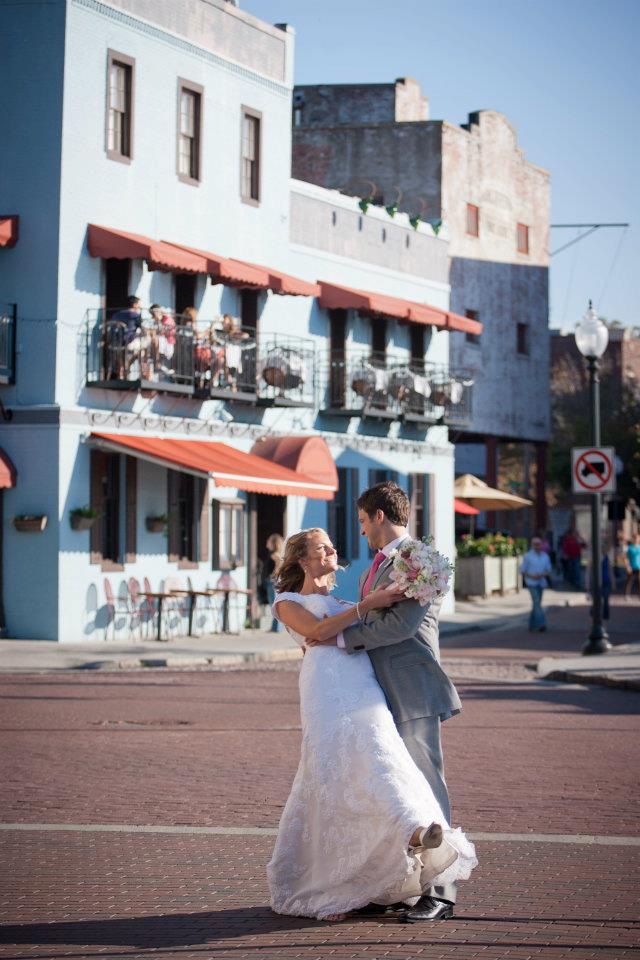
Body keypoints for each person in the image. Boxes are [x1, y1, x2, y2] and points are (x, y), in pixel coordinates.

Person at [268, 523, 476, 922]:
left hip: (364, 685)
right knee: (337, 773)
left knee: (382, 759)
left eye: (332, 546)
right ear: (301, 559)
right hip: (326, 691)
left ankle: (414, 830)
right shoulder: (286, 600)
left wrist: (383, 602)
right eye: (323, 548)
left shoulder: (343, 596)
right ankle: (346, 872)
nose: (332, 552)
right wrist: (368, 605)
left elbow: (361, 629)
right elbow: (316, 631)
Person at [520, 536, 553, 632]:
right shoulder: (528, 556)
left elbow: (548, 570)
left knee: (536, 604)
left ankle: (532, 625)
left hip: (541, 582)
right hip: (531, 582)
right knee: (536, 602)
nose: (537, 546)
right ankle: (541, 624)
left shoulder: (545, 556)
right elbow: (522, 570)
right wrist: (531, 576)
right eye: (535, 544)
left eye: (538, 544)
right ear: (532, 545)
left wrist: (541, 575)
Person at [264, 533, 284, 632]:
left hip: (272, 582)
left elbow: (280, 563)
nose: (267, 542)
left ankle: (276, 628)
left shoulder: (274, 555)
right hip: (271, 581)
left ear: (273, 543)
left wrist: (274, 573)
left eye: (269, 541)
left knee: (273, 604)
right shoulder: (273, 554)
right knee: (273, 604)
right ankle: (274, 627)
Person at [625, 532, 640, 598]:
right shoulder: (630, 548)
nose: (637, 539)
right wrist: (628, 566)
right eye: (636, 538)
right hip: (632, 567)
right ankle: (627, 595)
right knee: (630, 581)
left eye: (638, 538)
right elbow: (626, 558)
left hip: (639, 566)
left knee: (639, 581)